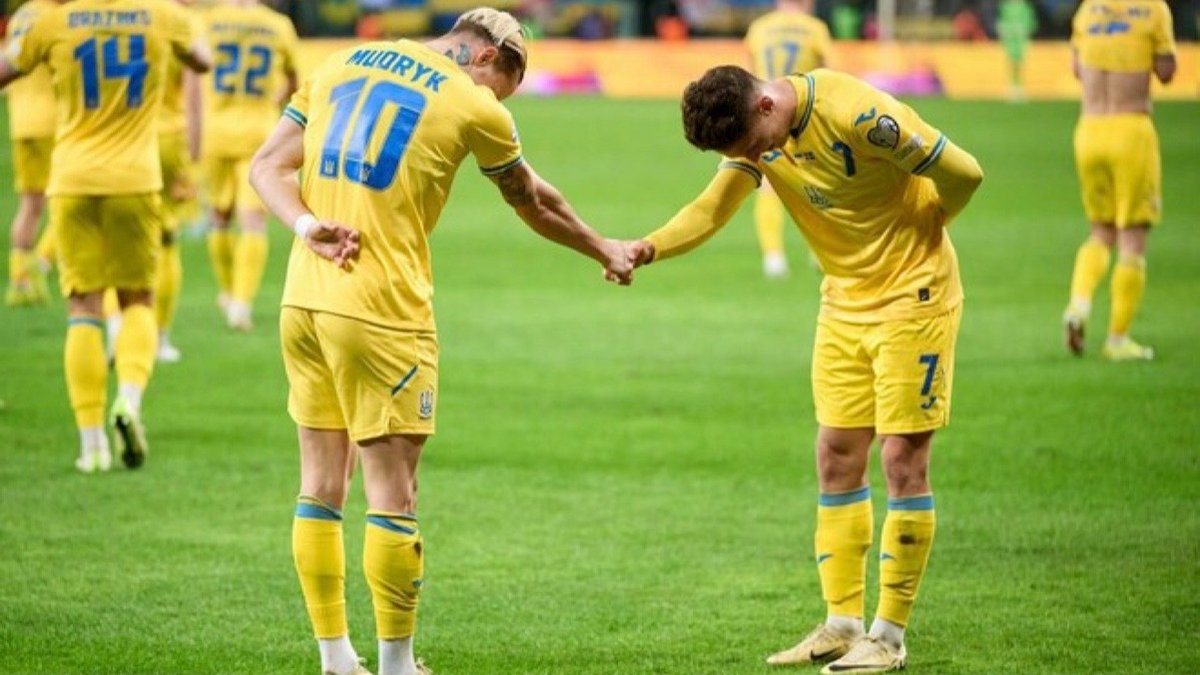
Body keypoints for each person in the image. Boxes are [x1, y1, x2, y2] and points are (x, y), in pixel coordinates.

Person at [248, 8, 631, 675]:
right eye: (502, 87)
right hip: (383, 311)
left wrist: (308, 226)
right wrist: (603, 247)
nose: (498, 102)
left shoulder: (339, 63)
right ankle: (397, 666)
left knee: (320, 485)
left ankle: (335, 658)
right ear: (487, 58)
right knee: (394, 493)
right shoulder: (469, 101)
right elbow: (533, 200)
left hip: (304, 297)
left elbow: (265, 167)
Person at [618, 65, 982, 674]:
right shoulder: (757, 135)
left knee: (901, 458)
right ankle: (842, 625)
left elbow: (965, 172)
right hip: (843, 301)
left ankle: (889, 637)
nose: (754, 158)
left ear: (765, 104)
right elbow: (712, 209)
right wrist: (646, 247)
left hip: (913, 298)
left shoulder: (859, 114)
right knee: (836, 453)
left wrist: (933, 220)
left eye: (753, 145)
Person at [0, 0, 212, 472]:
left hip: (72, 180)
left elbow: (7, 68)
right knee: (137, 298)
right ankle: (129, 400)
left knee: (83, 308)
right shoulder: (160, 15)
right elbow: (203, 60)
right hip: (135, 179)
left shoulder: (53, 21)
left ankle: (91, 445)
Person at [1061, 0, 1175, 361]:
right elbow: (1166, 72)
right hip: (1131, 129)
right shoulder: (1154, 10)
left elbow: (1077, 69)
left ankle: (1078, 305)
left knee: (1100, 232)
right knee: (1132, 239)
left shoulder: (1089, 9)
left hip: (1089, 129)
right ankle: (1117, 339)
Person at [199, 0, 299, 331]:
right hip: (260, 134)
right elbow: (294, 83)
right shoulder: (278, 25)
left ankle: (228, 291)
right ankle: (241, 304)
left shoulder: (208, 21)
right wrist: (274, 100)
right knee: (253, 221)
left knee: (219, 217)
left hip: (215, 131)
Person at [744, 0, 830, 278]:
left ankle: (773, 258)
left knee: (769, 184)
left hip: (765, 115)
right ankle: (821, 252)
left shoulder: (759, 28)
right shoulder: (815, 28)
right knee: (818, 183)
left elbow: (749, 76)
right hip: (802, 114)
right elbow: (829, 75)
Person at [154, 0, 205, 361]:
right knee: (166, 239)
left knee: (118, 243)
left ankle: (116, 329)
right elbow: (193, 93)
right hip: (167, 141)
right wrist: (194, 152)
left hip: (120, 141)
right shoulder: (180, 21)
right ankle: (159, 338)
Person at [3, 0, 57, 307]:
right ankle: (42, 262)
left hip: (21, 121)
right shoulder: (56, 18)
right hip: (53, 120)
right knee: (68, 200)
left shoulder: (22, 15)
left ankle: (19, 281)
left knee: (30, 204)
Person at [997, 0, 1038, 101]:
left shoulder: (1026, 7)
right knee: (1011, 63)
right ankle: (1012, 87)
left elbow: (1031, 23)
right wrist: (1005, 32)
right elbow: (1001, 23)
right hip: (1010, 40)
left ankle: (1020, 87)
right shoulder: (1006, 7)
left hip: (1021, 40)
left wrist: (1024, 30)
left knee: (1021, 63)